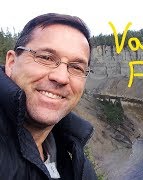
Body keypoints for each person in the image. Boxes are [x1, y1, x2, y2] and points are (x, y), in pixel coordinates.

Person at [0, 13, 97, 179]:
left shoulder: (76, 164)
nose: (61, 77)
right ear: (11, 63)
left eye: (76, 67)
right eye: (46, 57)